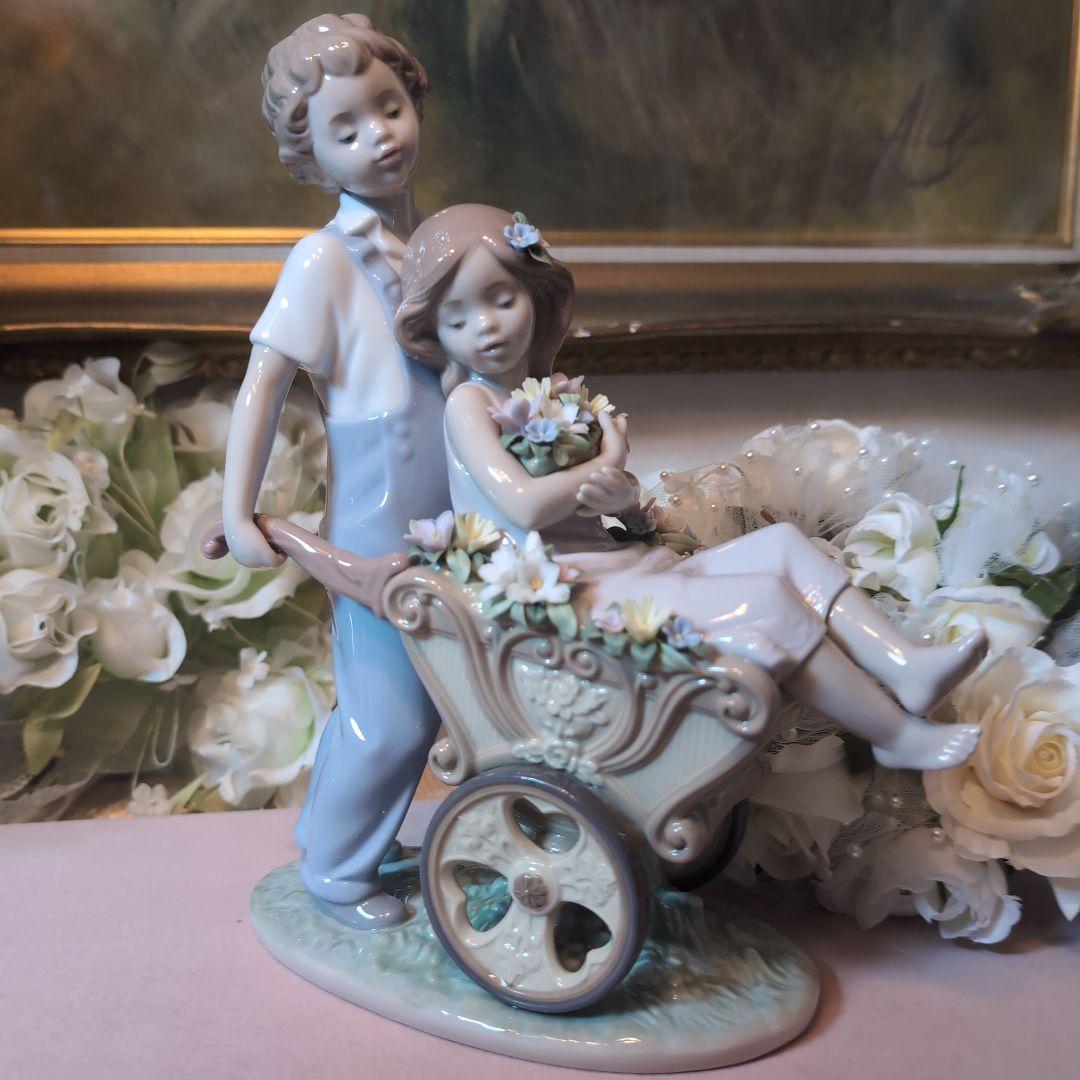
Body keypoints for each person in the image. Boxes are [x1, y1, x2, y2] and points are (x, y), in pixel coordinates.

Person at [395, 204, 987, 772]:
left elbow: (598, 504)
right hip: (559, 591)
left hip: (613, 563)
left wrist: (621, 499)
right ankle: (895, 736)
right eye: (458, 318)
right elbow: (524, 505)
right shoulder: (470, 404)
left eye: (502, 300)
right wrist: (610, 457)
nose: (486, 326)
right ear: (436, 332)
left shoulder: (552, 394)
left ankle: (903, 665)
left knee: (784, 546)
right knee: (765, 599)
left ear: (536, 295)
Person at [222, 14, 447, 930]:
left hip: (449, 507)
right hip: (378, 509)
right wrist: (237, 512)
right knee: (391, 715)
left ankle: (332, 831)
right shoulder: (324, 257)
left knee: (434, 699)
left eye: (388, 108)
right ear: (310, 155)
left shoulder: (432, 242)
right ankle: (337, 875)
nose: (378, 137)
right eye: (344, 129)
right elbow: (264, 383)